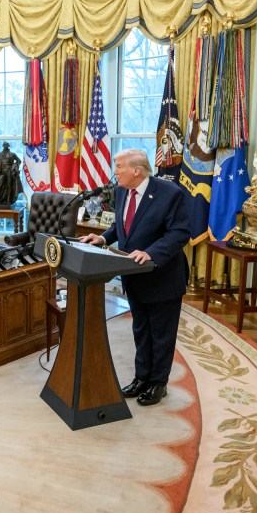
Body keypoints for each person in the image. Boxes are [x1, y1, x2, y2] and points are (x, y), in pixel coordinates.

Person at [79, 148, 190, 407]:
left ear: (136, 170)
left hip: (162, 276)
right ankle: (142, 378)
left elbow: (180, 232)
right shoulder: (121, 192)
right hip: (134, 275)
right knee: (141, 330)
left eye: (118, 166)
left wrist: (150, 252)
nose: (115, 171)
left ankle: (158, 383)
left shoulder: (170, 194)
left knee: (161, 333)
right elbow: (123, 225)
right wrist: (104, 237)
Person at [0, 142, 23, 207]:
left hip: (9, 172)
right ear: (3, 146)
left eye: (6, 145)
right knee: (0, 185)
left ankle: (8, 200)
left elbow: (19, 161)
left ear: (8, 146)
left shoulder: (12, 154)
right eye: (4, 145)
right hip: (2, 172)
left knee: (9, 186)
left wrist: (14, 166)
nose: (5, 146)